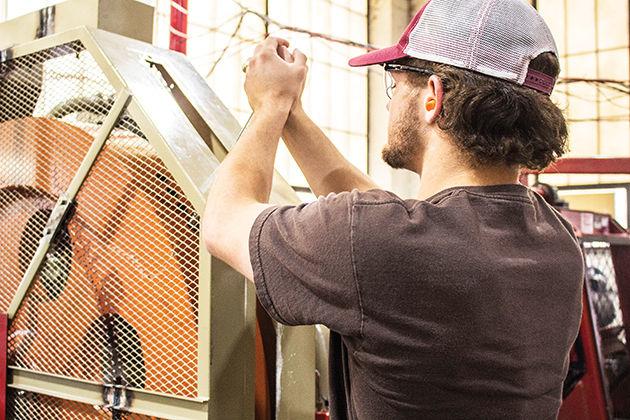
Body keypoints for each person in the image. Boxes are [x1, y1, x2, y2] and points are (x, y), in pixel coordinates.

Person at [202, 0, 585, 418]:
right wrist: (292, 115)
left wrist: (271, 104)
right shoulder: (557, 241)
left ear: (432, 97)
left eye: (396, 84)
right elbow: (392, 224)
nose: (390, 101)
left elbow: (223, 221)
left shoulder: (378, 242)